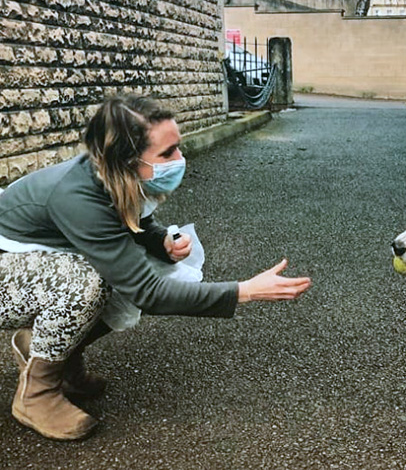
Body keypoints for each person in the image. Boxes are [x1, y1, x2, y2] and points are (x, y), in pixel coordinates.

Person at [0, 95, 311, 440]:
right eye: (167, 154)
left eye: (177, 147)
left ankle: (57, 357)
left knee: (157, 270)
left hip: (36, 258)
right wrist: (245, 291)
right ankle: (35, 395)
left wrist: (160, 239)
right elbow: (148, 293)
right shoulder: (76, 196)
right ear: (126, 159)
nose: (180, 159)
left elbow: (127, 220)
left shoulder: (111, 174)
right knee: (85, 285)